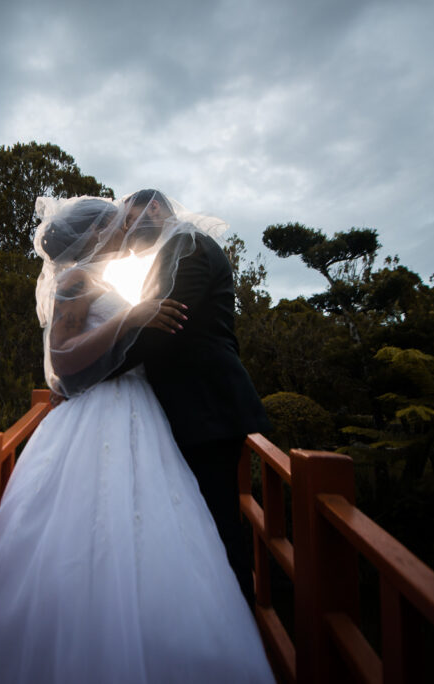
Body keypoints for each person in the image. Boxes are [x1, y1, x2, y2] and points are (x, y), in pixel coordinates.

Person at [0, 196, 274, 683]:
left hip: (151, 415)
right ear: (97, 233)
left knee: (175, 526)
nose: (127, 227)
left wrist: (133, 323)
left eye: (128, 218)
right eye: (117, 221)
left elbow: (151, 334)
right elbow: (62, 359)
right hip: (113, 414)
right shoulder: (77, 279)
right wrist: (131, 318)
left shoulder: (160, 258)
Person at [116, 189, 271, 607]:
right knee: (199, 527)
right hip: (192, 412)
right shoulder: (174, 249)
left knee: (219, 529)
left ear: (155, 207)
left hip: (207, 411)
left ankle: (241, 634)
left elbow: (163, 328)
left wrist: (94, 370)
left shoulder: (189, 248)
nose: (127, 230)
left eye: (130, 219)